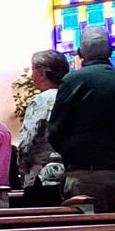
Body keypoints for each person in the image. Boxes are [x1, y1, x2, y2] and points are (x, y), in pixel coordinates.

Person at [48, 26, 115, 212]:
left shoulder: (73, 81)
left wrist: (71, 154)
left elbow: (55, 130)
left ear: (80, 52)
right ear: (110, 51)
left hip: (86, 175)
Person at [14, 49, 69, 202]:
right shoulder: (72, 96)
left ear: (43, 73)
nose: (31, 76)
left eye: (33, 70)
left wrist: (23, 170)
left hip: (43, 177)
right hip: (69, 174)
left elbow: (28, 141)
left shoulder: (41, 100)